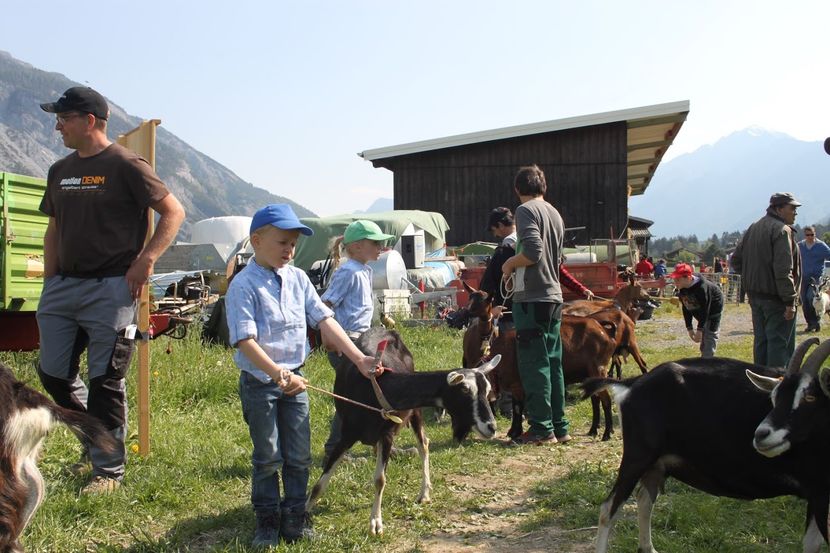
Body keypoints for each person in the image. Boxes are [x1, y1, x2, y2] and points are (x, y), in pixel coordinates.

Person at [35, 87, 185, 494]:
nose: (57, 126)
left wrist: (146, 260)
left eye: (63, 118)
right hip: (63, 287)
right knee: (51, 373)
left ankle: (107, 471)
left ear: (89, 120)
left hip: (112, 287)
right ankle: (94, 434)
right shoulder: (59, 169)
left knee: (105, 379)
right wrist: (51, 280)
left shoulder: (126, 165)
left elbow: (174, 212)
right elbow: (53, 228)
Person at [225, 204, 379, 547]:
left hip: (296, 381)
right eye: (282, 242)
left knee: (298, 454)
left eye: (293, 244)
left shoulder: (298, 279)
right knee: (268, 454)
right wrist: (278, 373)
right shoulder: (243, 285)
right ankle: (267, 518)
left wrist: (357, 359)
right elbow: (245, 341)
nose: (289, 250)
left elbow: (325, 320)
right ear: (256, 240)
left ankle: (295, 515)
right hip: (260, 383)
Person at [501, 165, 571, 445]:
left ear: (518, 189)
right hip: (554, 297)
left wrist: (509, 264)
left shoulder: (525, 211)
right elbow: (557, 258)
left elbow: (531, 251)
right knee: (554, 363)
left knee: (534, 365)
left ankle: (541, 429)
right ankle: (560, 426)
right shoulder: (554, 213)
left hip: (532, 298)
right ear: (544, 187)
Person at [320, 220, 394, 463]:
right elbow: (326, 305)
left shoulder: (363, 270)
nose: (381, 247)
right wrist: (328, 337)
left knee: (369, 393)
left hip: (361, 340)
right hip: (346, 342)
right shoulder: (348, 271)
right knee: (352, 395)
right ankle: (335, 447)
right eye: (376, 243)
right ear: (358, 247)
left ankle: (381, 443)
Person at [731, 192, 801, 368]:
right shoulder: (781, 230)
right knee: (780, 347)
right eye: (792, 208)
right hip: (777, 299)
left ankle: (759, 387)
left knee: (761, 344)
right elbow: (784, 270)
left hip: (756, 297)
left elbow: (735, 260)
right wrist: (790, 301)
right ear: (779, 208)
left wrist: (752, 278)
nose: (795, 212)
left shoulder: (754, 227)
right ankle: (776, 387)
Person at [669, 263, 724, 357]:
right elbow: (686, 308)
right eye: (674, 279)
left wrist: (699, 330)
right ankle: (704, 360)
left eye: (678, 279)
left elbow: (705, 310)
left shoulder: (702, 288)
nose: (675, 282)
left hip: (712, 311)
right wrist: (689, 328)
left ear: (688, 278)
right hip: (700, 312)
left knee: (710, 336)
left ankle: (707, 364)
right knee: (703, 340)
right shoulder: (682, 288)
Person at [798, 225, 830, 332]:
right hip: (803, 277)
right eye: (808, 235)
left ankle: (816, 322)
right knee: (804, 301)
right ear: (805, 235)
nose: (810, 237)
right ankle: (810, 323)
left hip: (816, 278)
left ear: (815, 234)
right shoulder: (800, 246)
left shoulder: (821, 246)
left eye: (812, 234)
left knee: (811, 298)